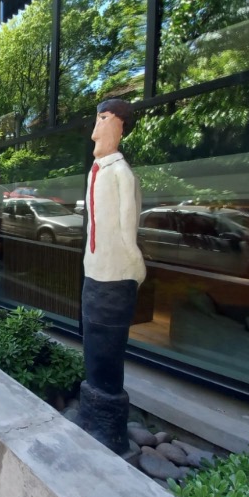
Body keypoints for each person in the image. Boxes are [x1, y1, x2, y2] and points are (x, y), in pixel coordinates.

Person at [74, 98, 146, 455]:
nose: (95, 131)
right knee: (92, 344)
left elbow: (128, 230)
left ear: (118, 125)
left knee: (107, 350)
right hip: (94, 272)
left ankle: (108, 427)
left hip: (115, 278)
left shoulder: (121, 174)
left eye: (102, 119)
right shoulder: (95, 171)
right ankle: (90, 417)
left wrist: (133, 269)